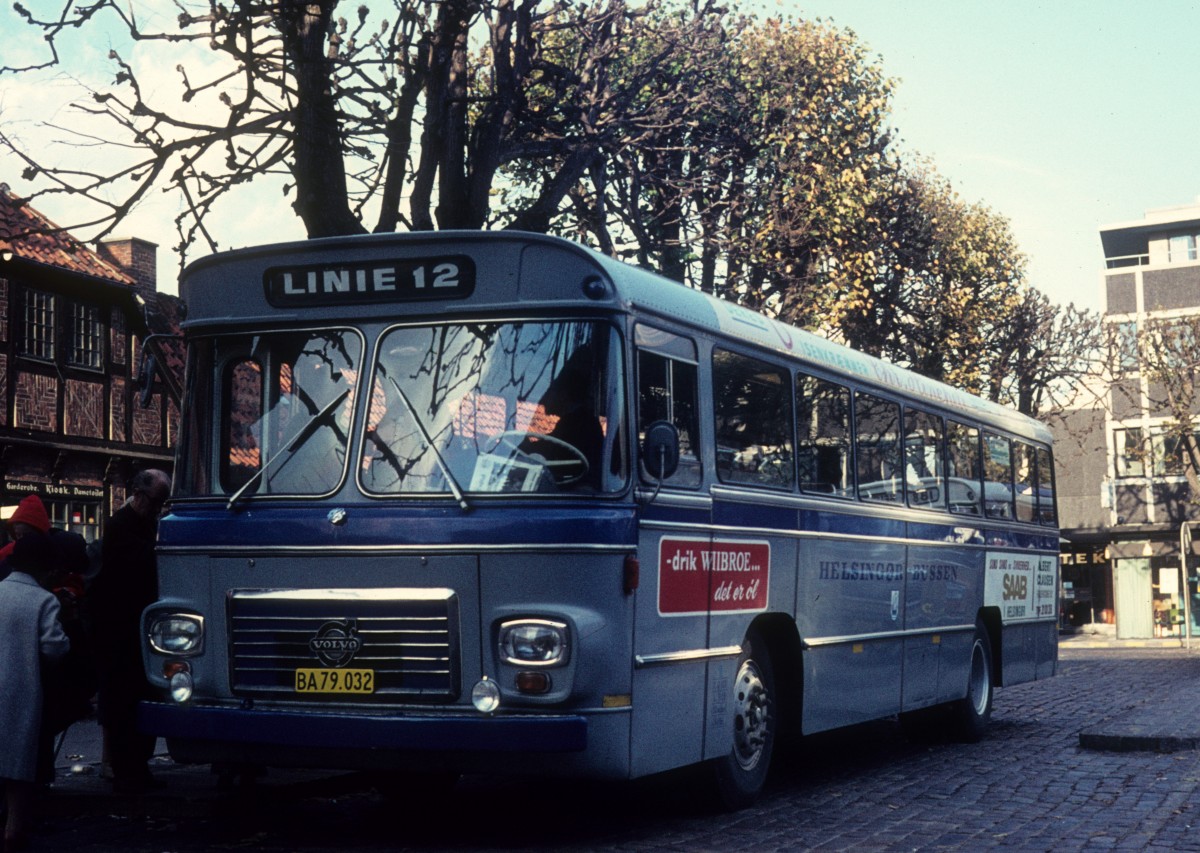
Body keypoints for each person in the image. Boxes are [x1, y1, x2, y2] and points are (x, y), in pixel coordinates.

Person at [88, 469, 171, 794]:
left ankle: (137, 766)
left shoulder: (145, 524)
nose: (157, 508)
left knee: (141, 696)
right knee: (123, 701)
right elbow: (140, 566)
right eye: (155, 501)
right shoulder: (119, 526)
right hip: (119, 631)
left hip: (138, 628)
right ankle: (126, 769)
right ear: (138, 494)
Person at [0, 533, 70, 853]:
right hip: (21, 689)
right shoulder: (44, 600)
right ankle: (13, 830)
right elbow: (54, 647)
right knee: (18, 764)